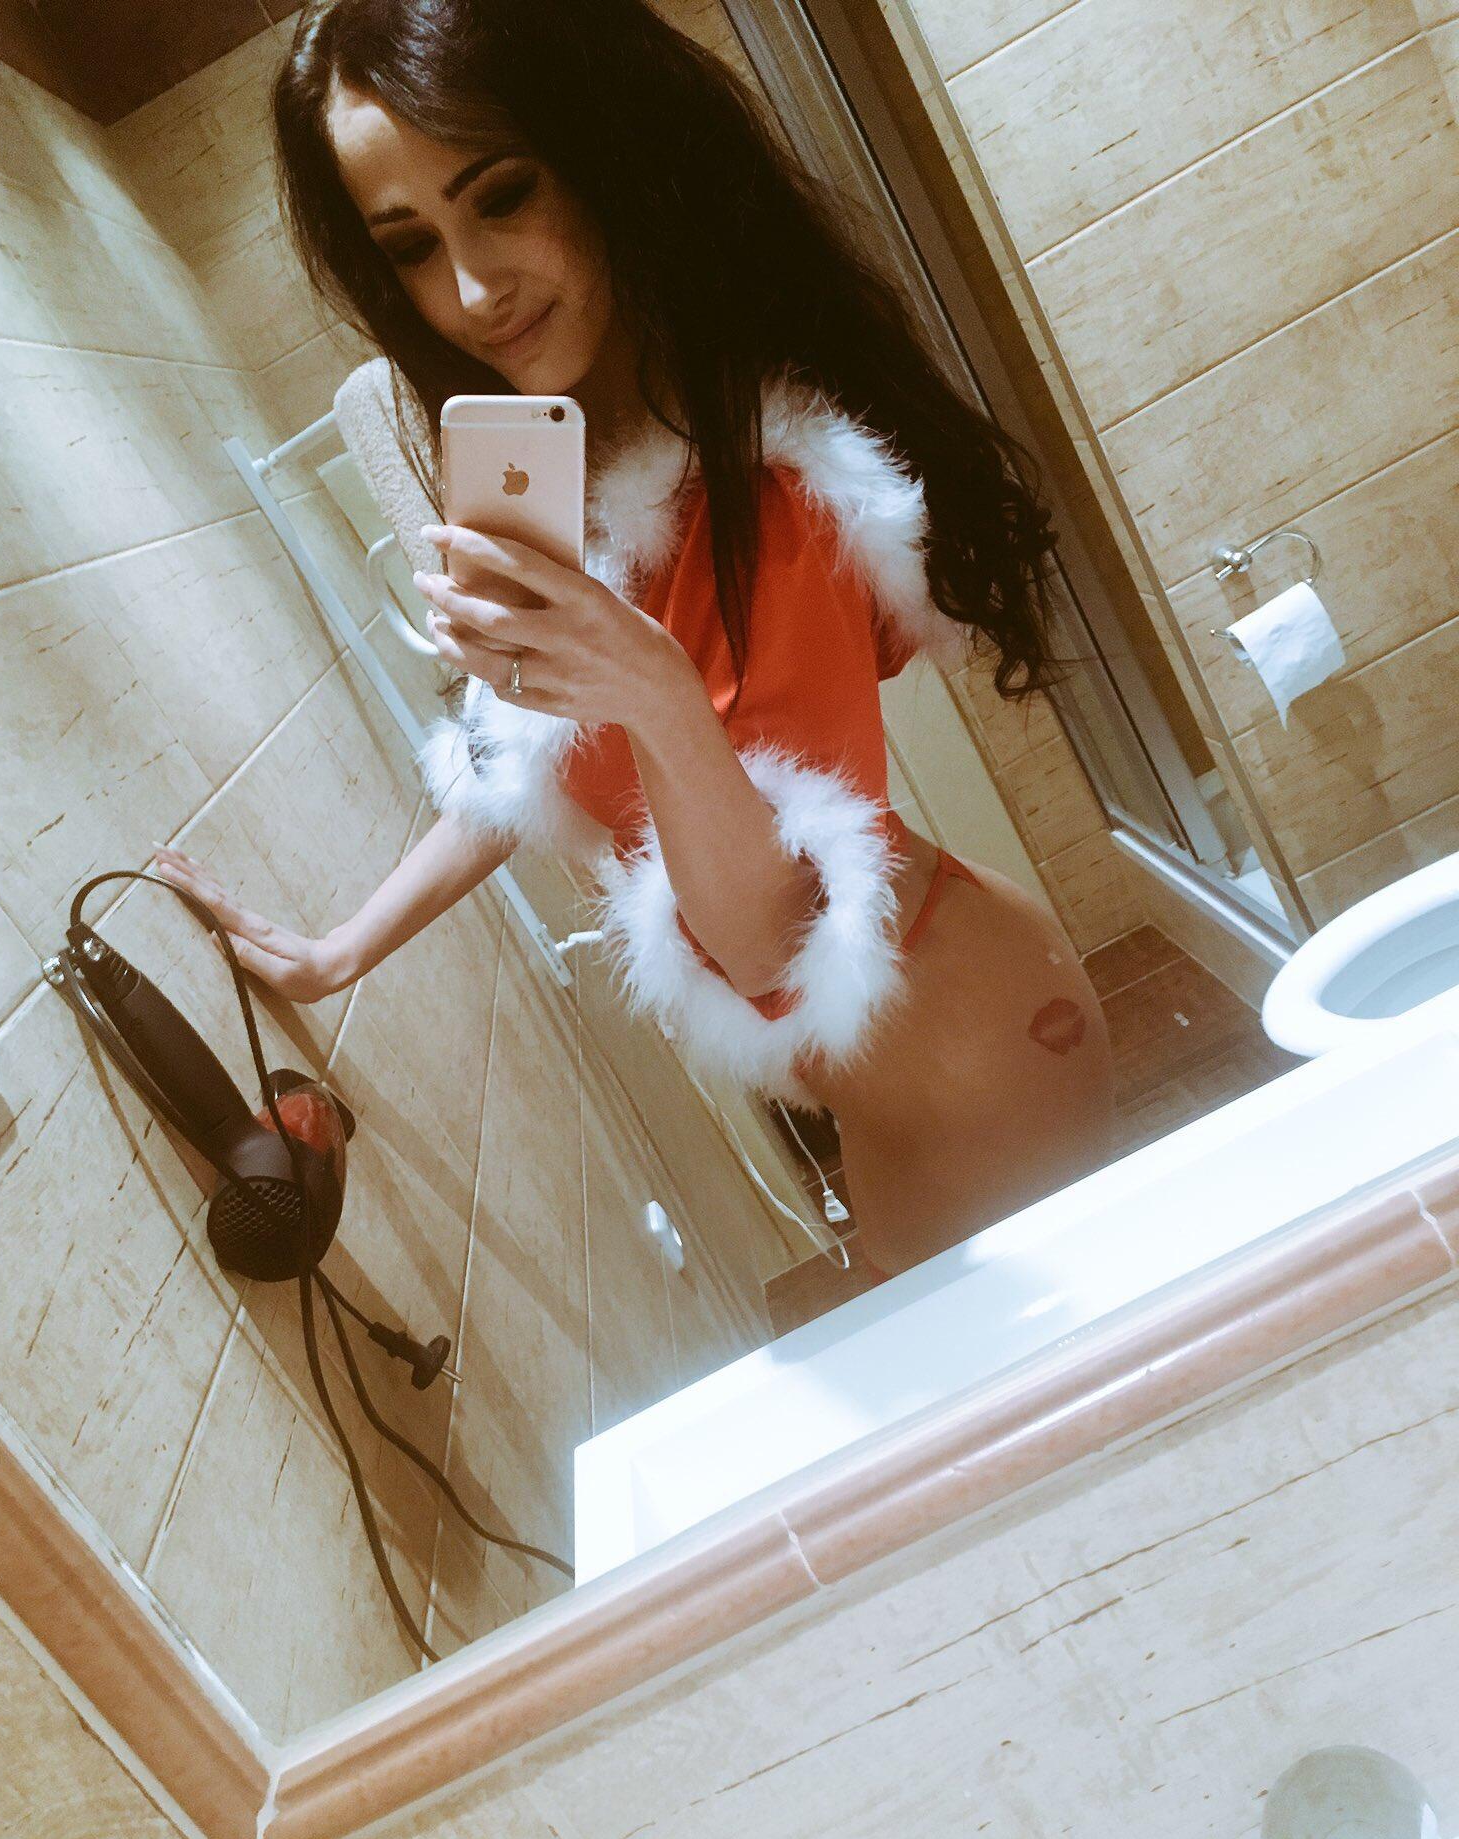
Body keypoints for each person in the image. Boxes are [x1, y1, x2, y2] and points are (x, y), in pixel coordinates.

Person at [153, 0, 1118, 1281]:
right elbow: (547, 766)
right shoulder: (592, 481)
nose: (473, 288)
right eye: (413, 246)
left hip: (974, 1055)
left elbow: (774, 944)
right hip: (887, 1064)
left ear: (605, 150)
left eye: (503, 195)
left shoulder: (770, 490)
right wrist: (343, 950)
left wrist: (651, 687)